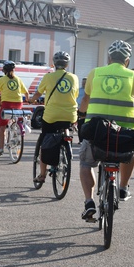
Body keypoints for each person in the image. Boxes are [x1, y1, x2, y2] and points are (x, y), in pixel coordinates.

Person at [78, 41, 134, 220]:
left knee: (86, 164)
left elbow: (86, 98)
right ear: (127, 61)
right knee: (130, 152)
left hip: (96, 130)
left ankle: (89, 201)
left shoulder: (96, 73)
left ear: (109, 58)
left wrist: (81, 113)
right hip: (123, 133)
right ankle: (123, 188)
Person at [29, 51, 78, 184]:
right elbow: (75, 94)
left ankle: (42, 174)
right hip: (70, 115)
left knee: (44, 142)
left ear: (54, 64)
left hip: (51, 116)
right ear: (67, 65)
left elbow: (38, 93)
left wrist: (31, 100)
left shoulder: (48, 77)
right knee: (65, 127)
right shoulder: (74, 78)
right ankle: (67, 145)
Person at [0, 60, 29, 156]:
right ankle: (16, 133)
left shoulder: (2, 79)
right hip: (18, 103)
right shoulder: (18, 79)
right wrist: (28, 100)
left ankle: (1, 148)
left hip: (6, 104)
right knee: (16, 118)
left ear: (4, 70)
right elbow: (26, 93)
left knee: (2, 126)